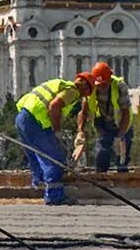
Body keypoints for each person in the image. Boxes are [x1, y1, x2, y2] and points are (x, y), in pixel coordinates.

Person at [15, 72, 97, 205]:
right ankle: (54, 196)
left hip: (22, 117)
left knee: (35, 155)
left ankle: (39, 185)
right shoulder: (72, 90)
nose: (84, 96)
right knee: (54, 159)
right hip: (37, 121)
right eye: (87, 93)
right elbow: (54, 106)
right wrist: (57, 131)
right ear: (85, 86)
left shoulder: (57, 84)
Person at [84, 61, 133, 173]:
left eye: (104, 84)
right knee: (102, 151)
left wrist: (119, 136)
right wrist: (80, 132)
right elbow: (84, 111)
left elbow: (125, 113)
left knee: (122, 155)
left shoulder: (120, 86)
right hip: (103, 123)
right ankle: (101, 176)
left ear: (110, 80)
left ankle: (122, 180)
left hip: (122, 123)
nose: (101, 87)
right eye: (99, 85)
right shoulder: (91, 88)